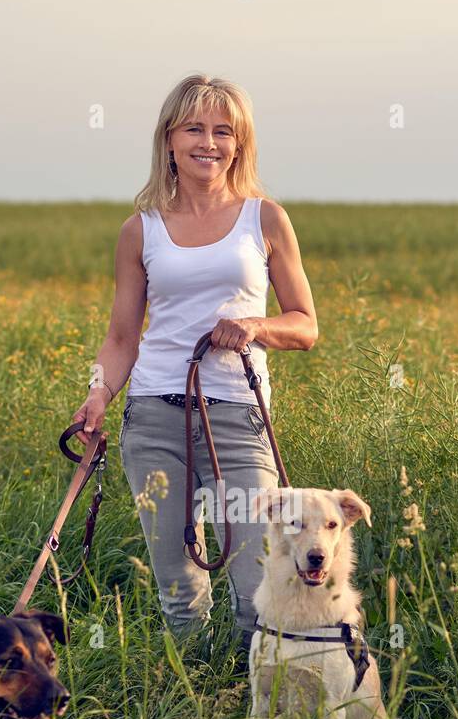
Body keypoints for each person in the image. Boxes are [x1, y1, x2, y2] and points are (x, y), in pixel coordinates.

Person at [71, 73, 318, 660]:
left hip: (236, 418)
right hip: (155, 420)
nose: (209, 142)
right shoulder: (142, 229)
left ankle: (254, 706)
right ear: (170, 140)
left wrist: (255, 328)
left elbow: (305, 324)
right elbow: (122, 336)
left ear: (239, 143)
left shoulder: (265, 219)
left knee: (255, 582)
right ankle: (195, 713)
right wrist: (98, 394)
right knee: (178, 587)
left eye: (223, 131)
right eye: (195, 129)